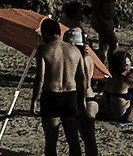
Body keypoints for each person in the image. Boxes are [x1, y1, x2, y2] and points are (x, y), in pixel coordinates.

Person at [37, 15, 98, 156]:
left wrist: (34, 100)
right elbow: (83, 80)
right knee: (78, 139)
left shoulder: (48, 50)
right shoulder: (83, 56)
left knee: (51, 141)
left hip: (59, 96)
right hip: (76, 98)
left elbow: (40, 78)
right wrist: (81, 99)